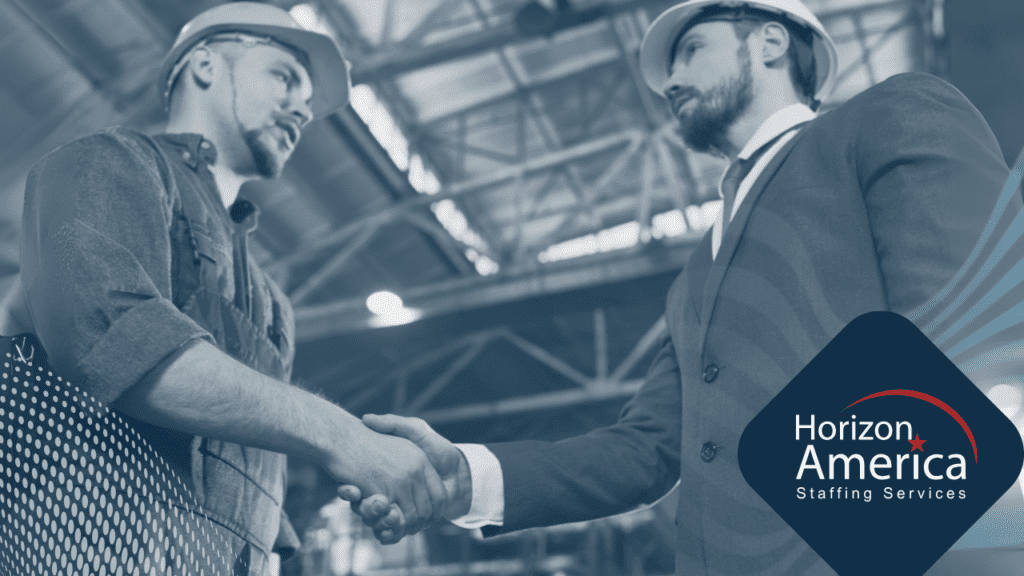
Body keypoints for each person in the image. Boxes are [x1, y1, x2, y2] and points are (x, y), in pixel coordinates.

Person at [340, 0, 1024, 574]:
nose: (669, 81)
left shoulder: (888, 116)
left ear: (770, 40)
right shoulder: (697, 275)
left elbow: (972, 332)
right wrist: (468, 477)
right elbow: (649, 451)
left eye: (691, 49)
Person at [14, 3, 447, 574]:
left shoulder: (273, 306)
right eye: (284, 77)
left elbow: (257, 467)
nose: (301, 109)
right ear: (205, 65)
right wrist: (349, 439)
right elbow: (115, 345)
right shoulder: (103, 163)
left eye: (308, 100)